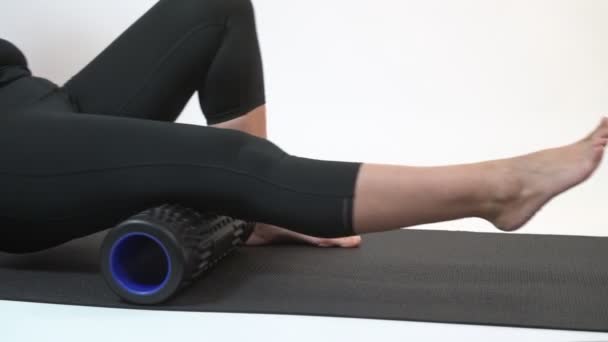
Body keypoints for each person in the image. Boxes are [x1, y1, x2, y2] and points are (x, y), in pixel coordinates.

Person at [0, 0, 606, 254]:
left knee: (215, 7)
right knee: (225, 158)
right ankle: (499, 190)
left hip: (31, 100)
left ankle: (253, 213)